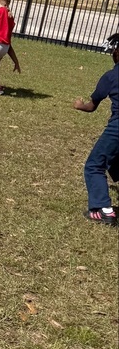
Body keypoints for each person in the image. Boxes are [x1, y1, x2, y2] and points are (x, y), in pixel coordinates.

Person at [73, 33, 119, 226]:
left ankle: (103, 210)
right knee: (115, 160)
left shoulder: (111, 76)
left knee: (94, 165)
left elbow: (91, 106)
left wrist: (79, 105)